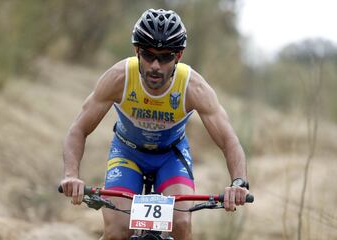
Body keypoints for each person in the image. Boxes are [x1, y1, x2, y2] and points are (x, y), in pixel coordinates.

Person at [60, 8, 249, 240]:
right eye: (149, 55)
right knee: (117, 231)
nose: (155, 66)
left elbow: (229, 140)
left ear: (178, 56)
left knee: (181, 224)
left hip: (171, 156)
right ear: (137, 51)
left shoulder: (193, 87)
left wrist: (238, 182)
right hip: (127, 154)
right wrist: (71, 175)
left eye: (165, 56)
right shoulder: (119, 78)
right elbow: (78, 130)